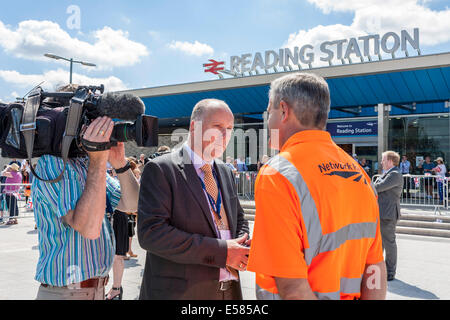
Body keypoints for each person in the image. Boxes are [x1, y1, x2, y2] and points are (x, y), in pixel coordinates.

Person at [246, 72, 386, 300]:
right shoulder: (359, 173)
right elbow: (375, 267)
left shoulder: (278, 173)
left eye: (269, 111)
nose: (268, 119)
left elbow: (292, 289)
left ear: (283, 110)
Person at [138, 98, 250, 300]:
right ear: (194, 127)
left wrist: (242, 243)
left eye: (230, 128)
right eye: (217, 127)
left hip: (229, 292)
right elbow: (152, 234)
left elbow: (239, 218)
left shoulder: (225, 171)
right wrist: (223, 251)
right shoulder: (161, 169)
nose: (225, 136)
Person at [33, 115, 140, 300]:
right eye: (87, 122)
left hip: (96, 289)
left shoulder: (85, 164)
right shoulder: (53, 164)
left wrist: (120, 163)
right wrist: (98, 160)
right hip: (66, 292)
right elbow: (88, 229)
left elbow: (132, 204)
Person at [373, 151, 403, 282]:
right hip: (382, 213)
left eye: (383, 159)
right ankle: (381, 269)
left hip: (388, 214)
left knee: (389, 244)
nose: (381, 162)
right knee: (380, 245)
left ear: (390, 161)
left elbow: (377, 187)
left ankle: (390, 272)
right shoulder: (388, 174)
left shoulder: (395, 174)